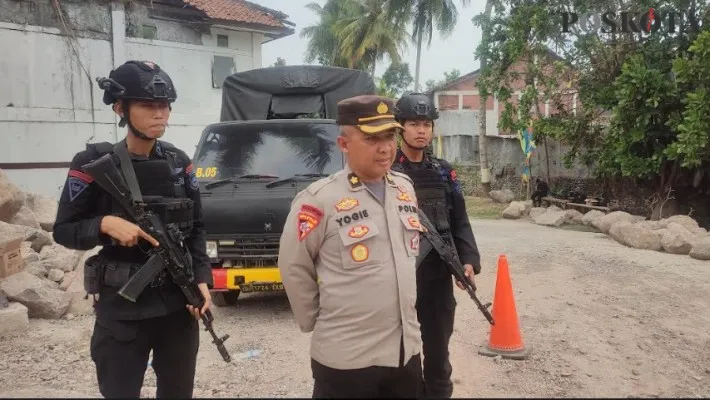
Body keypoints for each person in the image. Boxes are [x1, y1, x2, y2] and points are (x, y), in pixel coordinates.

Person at [52, 60, 213, 398]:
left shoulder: (178, 162)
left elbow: (196, 226)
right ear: (119, 108)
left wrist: (201, 279)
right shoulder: (93, 164)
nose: (160, 114)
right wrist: (104, 224)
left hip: (177, 309)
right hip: (123, 314)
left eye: (165, 105)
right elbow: (64, 230)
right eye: (148, 105)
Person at [278, 95, 423, 398]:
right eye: (372, 138)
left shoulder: (404, 189)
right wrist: (322, 321)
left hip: (405, 353)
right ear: (343, 144)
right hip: (346, 359)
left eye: (389, 136)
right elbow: (294, 266)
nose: (385, 147)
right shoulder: (319, 200)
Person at [391, 92, 482, 399]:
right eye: (414, 123)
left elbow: (460, 219)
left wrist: (467, 260)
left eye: (427, 124)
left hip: (437, 278)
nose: (422, 130)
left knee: (439, 353)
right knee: (402, 354)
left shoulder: (444, 171)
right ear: (400, 127)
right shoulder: (388, 171)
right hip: (399, 279)